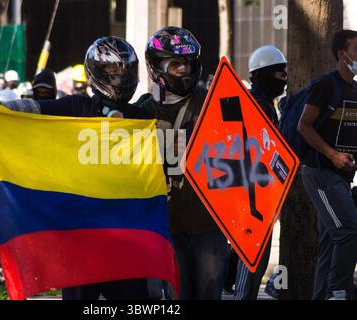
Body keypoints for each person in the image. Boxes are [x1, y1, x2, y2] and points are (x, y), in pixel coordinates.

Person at [0, 36, 151, 299]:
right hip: (81, 237)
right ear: (97, 73)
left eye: (125, 70)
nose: (120, 77)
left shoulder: (143, 118)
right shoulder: (76, 107)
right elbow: (30, 111)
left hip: (126, 237)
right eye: (112, 71)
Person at [138, 26, 229, 300]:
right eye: (175, 63)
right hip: (164, 225)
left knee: (209, 294)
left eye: (188, 62)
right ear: (157, 67)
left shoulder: (215, 101)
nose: (183, 69)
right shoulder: (142, 111)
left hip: (209, 222)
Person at [298, 29, 357, 300]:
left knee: (329, 241)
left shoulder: (354, 90)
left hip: (342, 177)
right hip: (321, 173)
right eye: (356, 51)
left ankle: (321, 295)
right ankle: (338, 291)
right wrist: (333, 155)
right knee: (348, 229)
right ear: (341, 55)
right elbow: (304, 125)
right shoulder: (326, 85)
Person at [234, 45, 288, 300]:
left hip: (260, 194)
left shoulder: (265, 104)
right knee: (253, 258)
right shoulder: (257, 105)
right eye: (278, 74)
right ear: (262, 75)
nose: (284, 79)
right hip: (253, 196)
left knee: (258, 257)